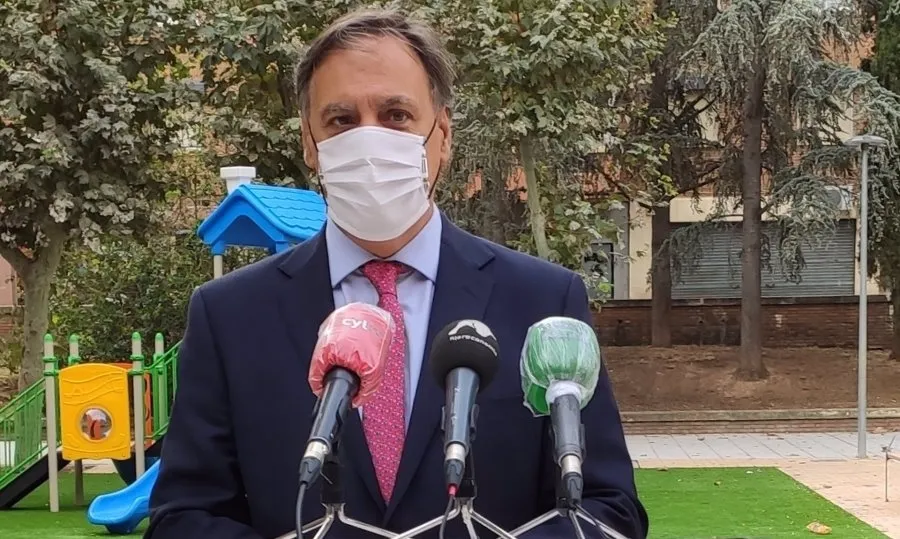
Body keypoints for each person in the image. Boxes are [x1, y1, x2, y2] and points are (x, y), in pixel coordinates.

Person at [146, 8, 647, 539]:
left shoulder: (544, 299)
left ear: (443, 135)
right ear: (309, 143)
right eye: (340, 120)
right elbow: (185, 516)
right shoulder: (231, 316)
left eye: (396, 115)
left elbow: (607, 508)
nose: (369, 141)